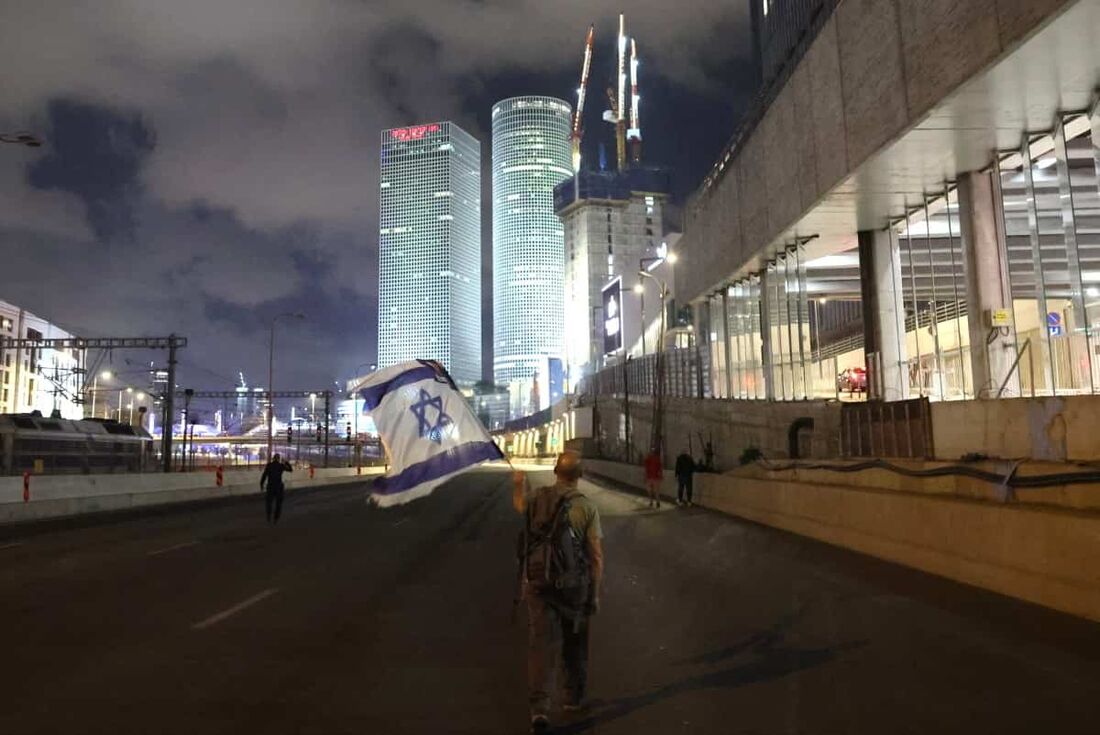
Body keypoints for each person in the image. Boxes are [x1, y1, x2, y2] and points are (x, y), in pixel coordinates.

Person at [513, 451, 604, 733]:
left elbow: (519, 506)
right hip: (573, 586)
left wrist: (518, 484)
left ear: (555, 471)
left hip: (538, 582)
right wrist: (595, 594)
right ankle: (573, 699)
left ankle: (539, 710)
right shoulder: (586, 507)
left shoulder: (538, 497)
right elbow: (596, 556)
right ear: (580, 474)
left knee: (540, 645)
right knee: (574, 641)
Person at [260, 453, 293, 524]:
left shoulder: (269, 465)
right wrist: (286, 462)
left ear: (273, 458)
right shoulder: (281, 466)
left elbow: (264, 475)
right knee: (278, 504)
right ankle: (276, 518)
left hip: (270, 486)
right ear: (278, 459)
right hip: (278, 487)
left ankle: (268, 517)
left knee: (269, 503)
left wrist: (261, 484)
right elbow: (290, 469)